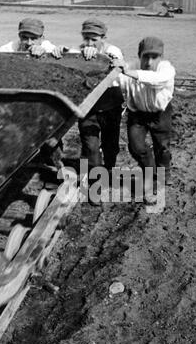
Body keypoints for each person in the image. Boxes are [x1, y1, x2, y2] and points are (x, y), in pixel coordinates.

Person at [52, 19, 124, 205]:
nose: (89, 44)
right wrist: (60, 51)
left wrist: (98, 55)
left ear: (103, 37)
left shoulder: (112, 50)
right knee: (91, 148)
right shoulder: (80, 51)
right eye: (86, 39)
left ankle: (108, 173)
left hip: (110, 106)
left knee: (110, 147)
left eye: (94, 39)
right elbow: (66, 57)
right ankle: (95, 188)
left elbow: (114, 61)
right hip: (88, 107)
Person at [112, 36, 175, 203]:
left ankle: (164, 172)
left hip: (160, 114)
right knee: (136, 147)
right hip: (137, 114)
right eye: (145, 56)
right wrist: (113, 67)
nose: (149, 61)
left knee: (162, 148)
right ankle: (152, 179)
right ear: (139, 55)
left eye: (154, 57)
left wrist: (128, 72)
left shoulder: (166, 68)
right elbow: (115, 81)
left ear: (161, 57)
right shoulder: (130, 66)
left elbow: (156, 82)